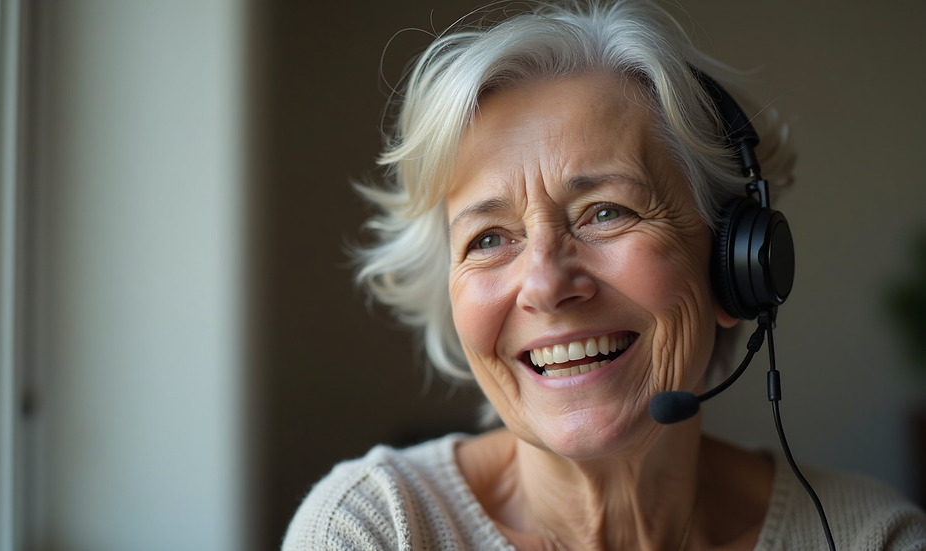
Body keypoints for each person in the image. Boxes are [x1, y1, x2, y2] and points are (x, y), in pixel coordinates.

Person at [283, 1, 926, 549]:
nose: (545, 284)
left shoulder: (870, 536)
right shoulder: (375, 528)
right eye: (489, 238)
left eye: (605, 212)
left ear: (735, 263)